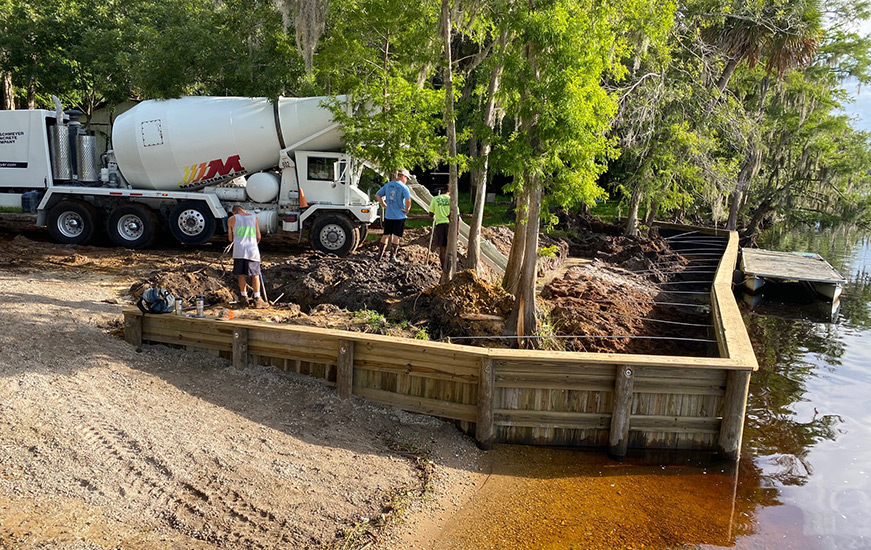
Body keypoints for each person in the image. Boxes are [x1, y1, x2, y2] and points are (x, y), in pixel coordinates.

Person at [227, 205, 267, 308]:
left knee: (241, 275)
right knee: (255, 275)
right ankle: (257, 299)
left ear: (234, 212)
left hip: (239, 250)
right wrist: (253, 242)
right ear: (243, 210)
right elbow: (258, 236)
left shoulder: (231, 219)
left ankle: (243, 298)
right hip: (252, 250)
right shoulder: (254, 218)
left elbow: (231, 239)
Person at [375, 169, 412, 262]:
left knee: (385, 235)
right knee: (396, 236)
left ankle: (379, 255)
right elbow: (408, 200)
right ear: (403, 176)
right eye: (406, 178)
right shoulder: (404, 187)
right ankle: (392, 257)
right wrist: (407, 210)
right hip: (399, 216)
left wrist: (383, 204)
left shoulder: (388, 185)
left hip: (389, 215)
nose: (406, 180)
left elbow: (377, 195)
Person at [428, 186, 451, 269]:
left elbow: (430, 213)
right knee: (450, 247)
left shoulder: (435, 199)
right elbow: (456, 214)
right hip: (449, 225)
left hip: (440, 225)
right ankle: (450, 267)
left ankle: (443, 267)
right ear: (449, 191)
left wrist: (434, 216)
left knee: (442, 248)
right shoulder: (451, 200)